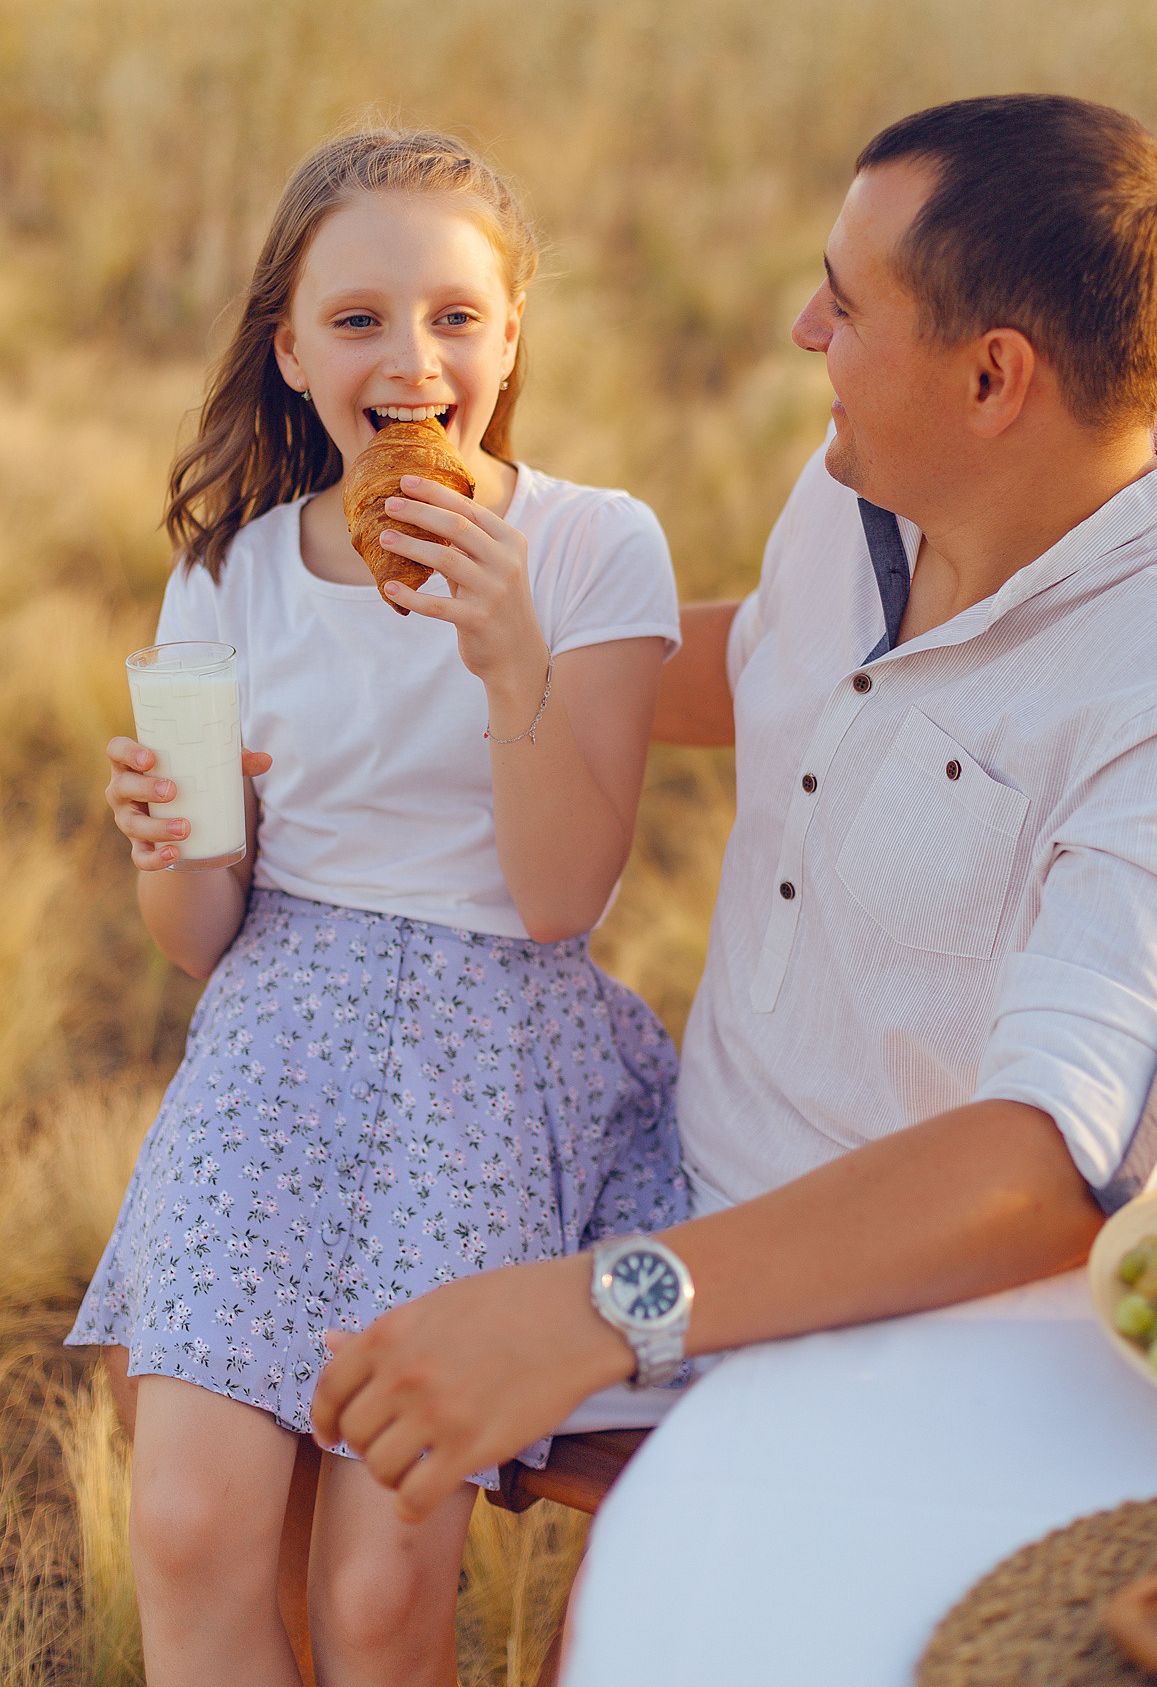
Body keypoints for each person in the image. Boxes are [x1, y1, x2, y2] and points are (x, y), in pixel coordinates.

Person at [310, 93, 1157, 1586]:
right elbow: (761, 661)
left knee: (634, 1628)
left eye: (845, 299)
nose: (798, 327)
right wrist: (456, 670)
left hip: (917, 1333)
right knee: (265, 1376)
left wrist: (597, 1305)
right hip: (672, 1175)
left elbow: (1047, 1170)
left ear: (990, 378)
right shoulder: (871, 487)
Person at [68, 129, 687, 1687]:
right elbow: (201, 936)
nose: (411, 359)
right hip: (276, 1041)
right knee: (195, 1528)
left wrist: (509, 659)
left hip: (492, 1051)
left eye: (455, 316)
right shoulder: (231, 573)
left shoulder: (596, 547)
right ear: (288, 352)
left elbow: (559, 899)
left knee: (376, 1588)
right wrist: (172, 843)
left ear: (510, 336)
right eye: (357, 320)